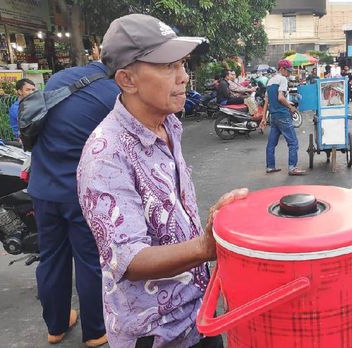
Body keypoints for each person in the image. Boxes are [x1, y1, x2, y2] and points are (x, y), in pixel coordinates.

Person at [77, 14, 247, 347]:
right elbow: (128, 260)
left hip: (198, 314)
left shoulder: (167, 125)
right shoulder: (105, 155)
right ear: (127, 80)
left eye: (182, 64)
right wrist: (204, 247)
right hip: (155, 333)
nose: (184, 76)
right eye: (167, 66)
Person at [27, 49, 117, 345]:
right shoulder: (113, 93)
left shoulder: (58, 79)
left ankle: (56, 326)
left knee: (51, 258)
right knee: (90, 259)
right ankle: (96, 330)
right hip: (82, 191)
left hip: (43, 187)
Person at [260, 59, 306, 176]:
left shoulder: (270, 81)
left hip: (273, 116)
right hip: (283, 115)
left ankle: (270, 166)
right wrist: (290, 107)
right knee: (293, 142)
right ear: (281, 69)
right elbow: (281, 97)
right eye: (288, 71)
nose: (289, 73)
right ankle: (292, 168)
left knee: (271, 143)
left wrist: (263, 118)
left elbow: (266, 102)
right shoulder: (282, 79)